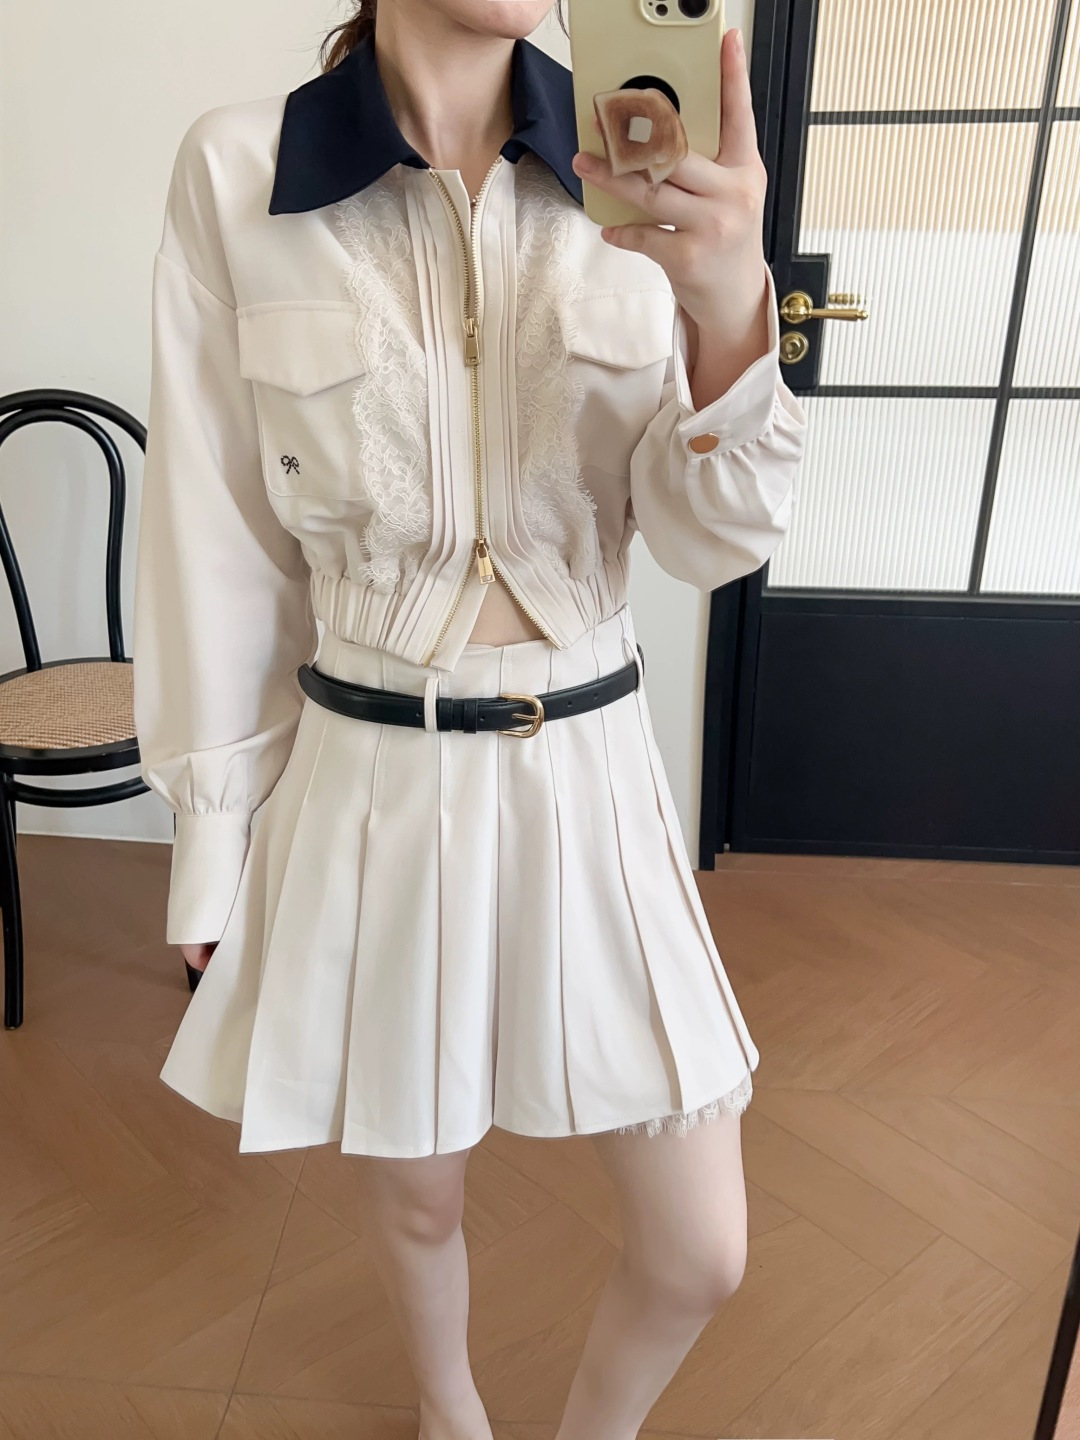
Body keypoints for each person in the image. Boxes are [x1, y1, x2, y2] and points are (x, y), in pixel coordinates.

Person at [131, 1, 807, 1436]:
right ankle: (451, 1414)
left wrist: (731, 305)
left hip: (594, 765)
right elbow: (214, 542)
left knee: (701, 1251)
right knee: (417, 1196)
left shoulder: (637, 164)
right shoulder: (241, 170)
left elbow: (713, 541)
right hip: (367, 774)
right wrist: (213, 840)